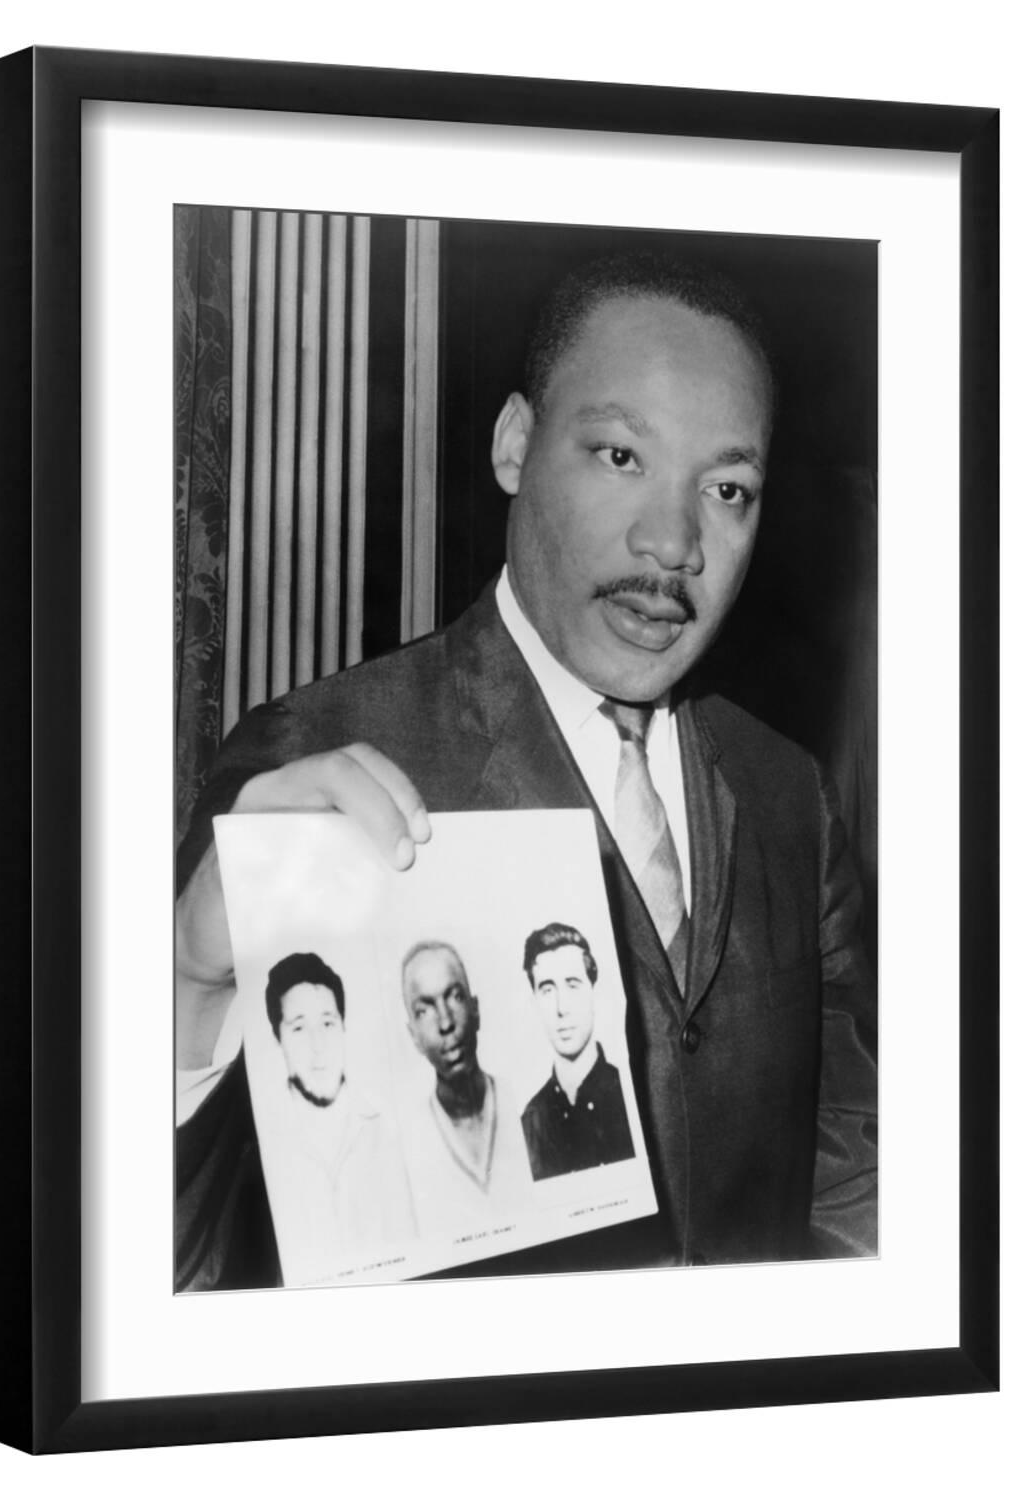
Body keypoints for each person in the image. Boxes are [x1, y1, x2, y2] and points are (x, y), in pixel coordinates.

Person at [174, 249, 877, 1289]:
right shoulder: (311, 759)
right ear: (514, 443)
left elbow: (849, 1174)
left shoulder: (784, 791)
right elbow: (158, 1270)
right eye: (617, 456)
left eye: (726, 488)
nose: (672, 542)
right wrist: (185, 987)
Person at [255, 952, 416, 1281]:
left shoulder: (388, 1130)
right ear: (277, 1037)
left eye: (328, 1023)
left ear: (344, 1026)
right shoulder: (263, 1147)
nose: (318, 1046)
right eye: (299, 1028)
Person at [397, 941, 532, 1235]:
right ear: (413, 1037)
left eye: (455, 996)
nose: (445, 1022)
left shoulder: (523, 1104)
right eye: (425, 1010)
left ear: (476, 1009)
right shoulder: (408, 1144)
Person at [519, 923, 635, 1181]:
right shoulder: (528, 1124)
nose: (562, 1007)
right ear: (534, 1002)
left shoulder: (631, 1095)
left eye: (572, 985)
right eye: (547, 989)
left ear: (594, 991)